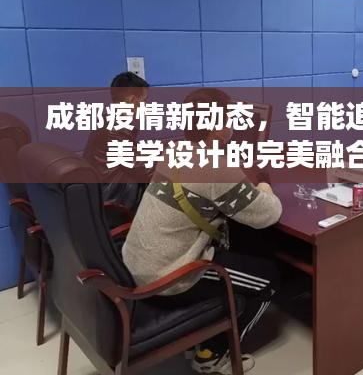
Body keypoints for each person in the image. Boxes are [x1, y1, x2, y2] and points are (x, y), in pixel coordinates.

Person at [122, 88, 283, 374]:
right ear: (217, 127)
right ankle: (215, 355)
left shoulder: (175, 150)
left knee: (239, 246)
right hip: (168, 277)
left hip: (137, 264)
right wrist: (263, 185)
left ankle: (206, 334)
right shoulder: (215, 168)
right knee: (268, 279)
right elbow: (269, 214)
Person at [83, 71, 152, 214]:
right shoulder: (115, 131)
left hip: (105, 193)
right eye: (144, 101)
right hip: (115, 202)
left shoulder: (107, 121)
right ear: (132, 100)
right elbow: (144, 170)